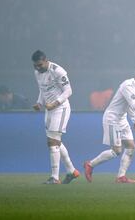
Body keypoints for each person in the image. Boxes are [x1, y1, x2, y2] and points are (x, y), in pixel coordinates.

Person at [84, 66, 135, 184]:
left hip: (122, 119)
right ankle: (90, 164)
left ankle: (121, 177)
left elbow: (129, 105)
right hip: (112, 119)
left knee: (131, 146)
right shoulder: (128, 85)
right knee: (116, 151)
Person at [31, 50, 80, 184]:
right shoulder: (37, 73)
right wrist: (39, 103)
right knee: (55, 141)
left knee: (52, 142)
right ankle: (72, 171)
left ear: (46, 60)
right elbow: (43, 90)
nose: (38, 68)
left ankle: (55, 177)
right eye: (35, 65)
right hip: (49, 109)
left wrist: (55, 103)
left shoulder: (58, 71)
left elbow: (69, 91)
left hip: (61, 108)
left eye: (40, 65)